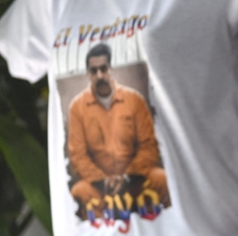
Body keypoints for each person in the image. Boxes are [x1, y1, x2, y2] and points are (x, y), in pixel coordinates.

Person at [68, 43, 169, 216]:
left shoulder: (134, 100)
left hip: (136, 179)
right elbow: (78, 154)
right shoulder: (77, 107)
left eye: (103, 69)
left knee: (161, 179)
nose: (100, 75)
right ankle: (107, 232)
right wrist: (104, 180)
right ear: (88, 74)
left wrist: (128, 177)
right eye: (94, 71)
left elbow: (148, 145)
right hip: (100, 187)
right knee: (80, 191)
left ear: (111, 68)